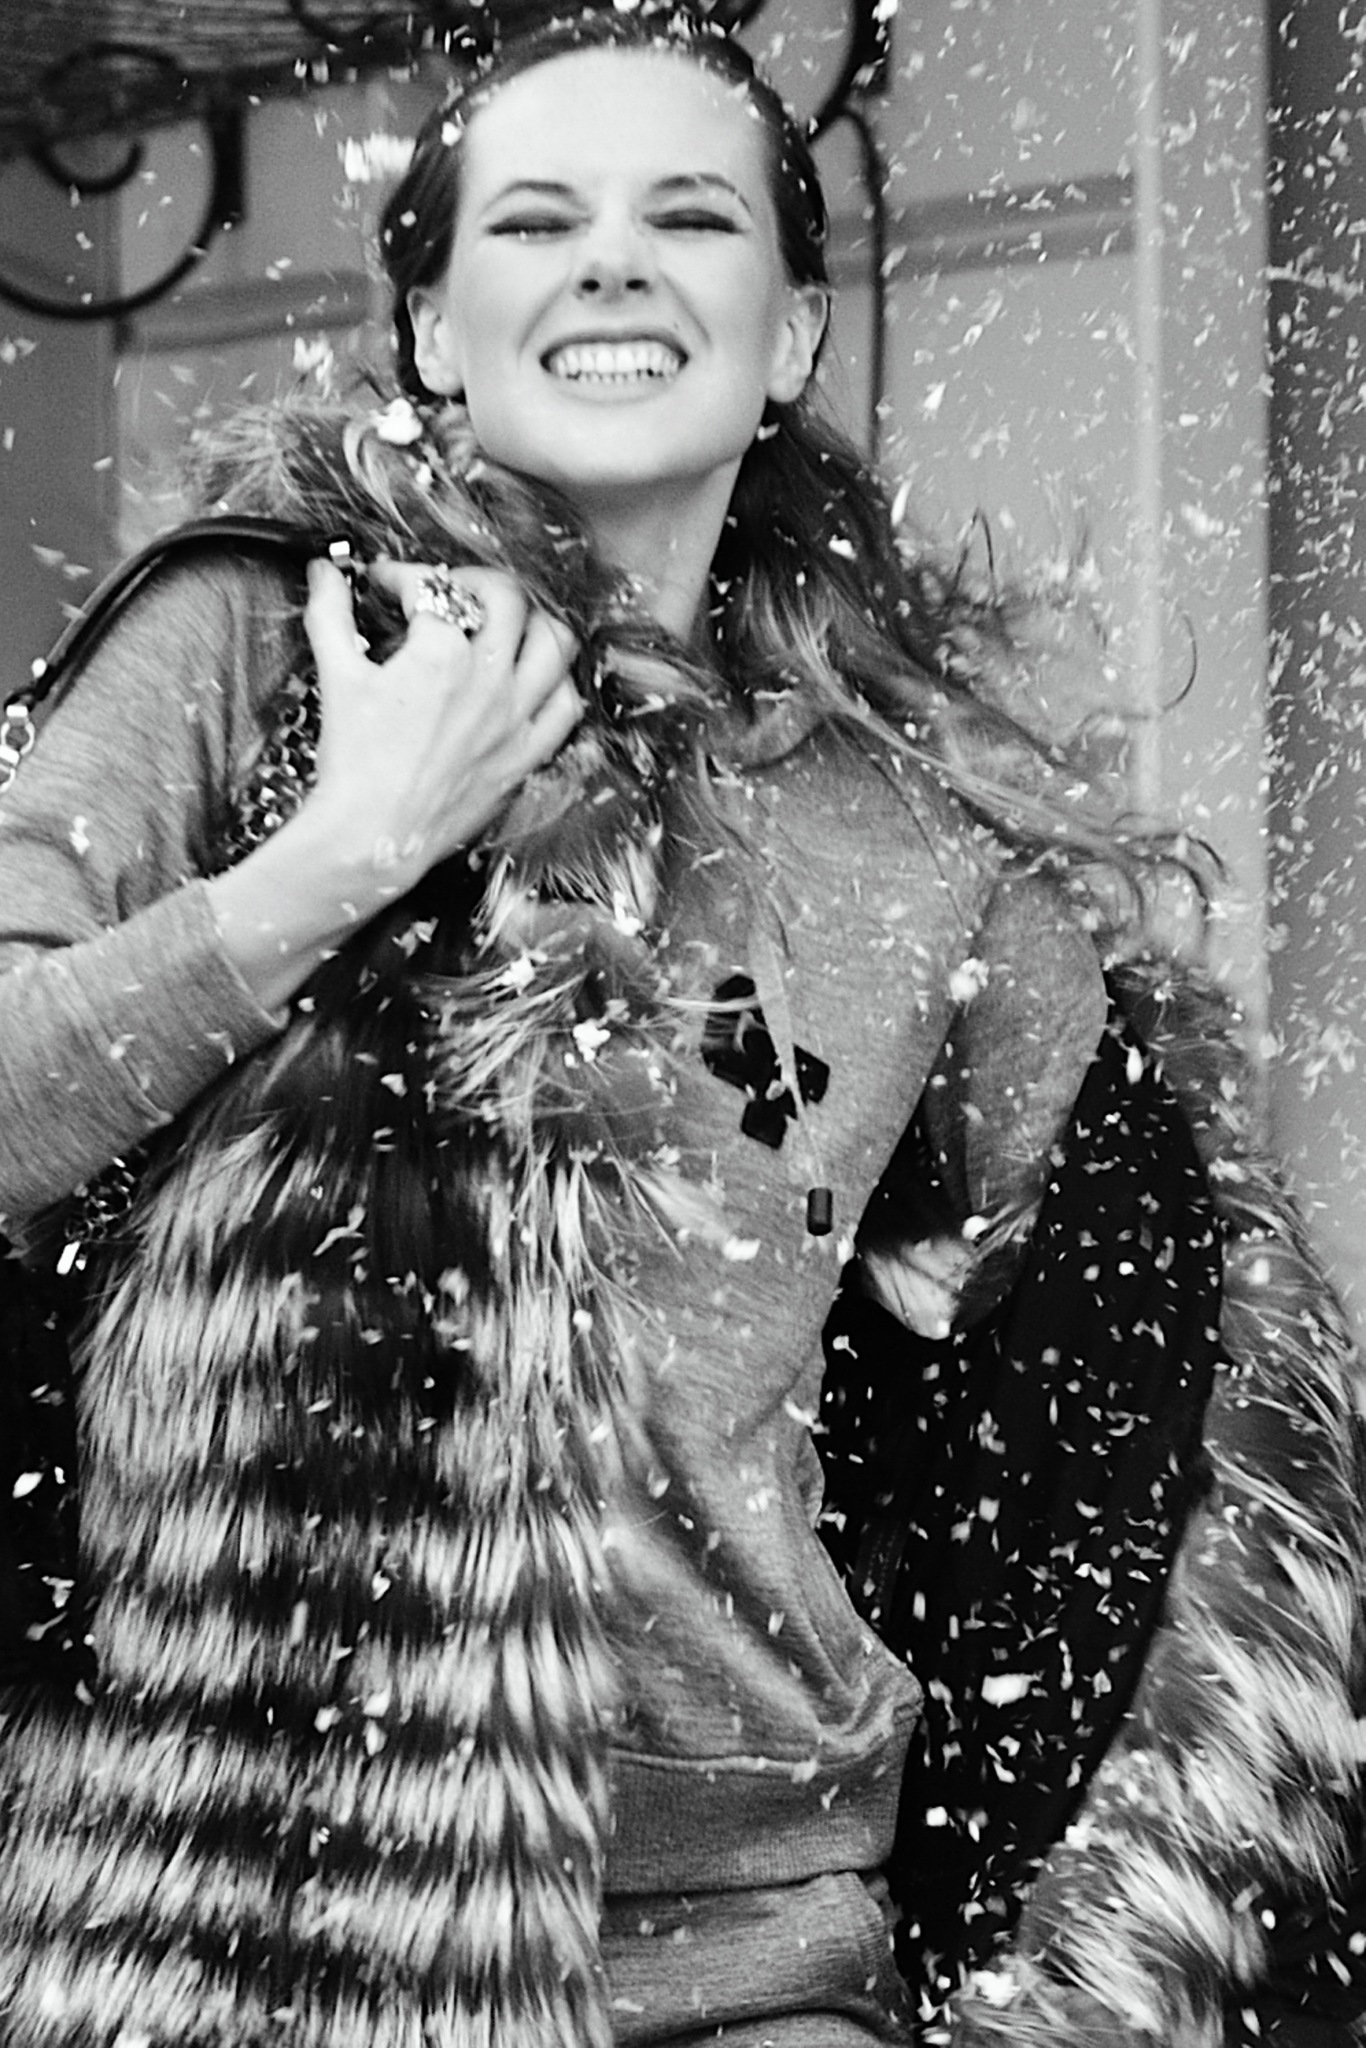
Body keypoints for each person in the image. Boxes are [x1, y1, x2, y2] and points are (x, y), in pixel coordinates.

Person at [0, 9, 1360, 2046]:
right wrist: (345, 857)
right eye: (537, 221)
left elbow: (1130, 1303)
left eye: (691, 217)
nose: (615, 265)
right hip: (265, 1909)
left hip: (755, 1920)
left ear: (790, 337)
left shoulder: (908, 830)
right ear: (432, 331)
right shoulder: (263, 644)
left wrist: (923, 1277)